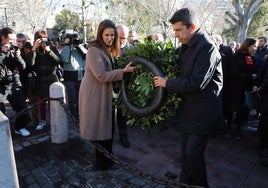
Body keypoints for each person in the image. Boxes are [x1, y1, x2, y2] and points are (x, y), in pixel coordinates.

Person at [153, 8, 223, 187]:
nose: (175, 35)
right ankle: (185, 184)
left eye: (178, 30)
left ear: (191, 27)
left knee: (193, 154)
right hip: (189, 112)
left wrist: (166, 83)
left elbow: (196, 82)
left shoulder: (207, 47)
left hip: (203, 114)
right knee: (186, 155)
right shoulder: (186, 45)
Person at [79, 19, 136, 171]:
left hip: (104, 94)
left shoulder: (106, 49)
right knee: (100, 131)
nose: (110, 38)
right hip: (95, 95)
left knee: (107, 130)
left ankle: (107, 161)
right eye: (107, 35)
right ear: (100, 34)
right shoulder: (93, 50)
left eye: (112, 35)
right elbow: (101, 75)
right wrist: (123, 72)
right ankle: (102, 164)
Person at [28, 30, 62, 131]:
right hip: (40, 80)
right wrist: (34, 49)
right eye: (40, 39)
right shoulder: (34, 51)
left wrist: (48, 51)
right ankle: (43, 121)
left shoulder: (51, 48)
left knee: (54, 102)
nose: (42, 41)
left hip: (52, 79)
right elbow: (30, 64)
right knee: (41, 103)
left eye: (44, 38)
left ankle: (55, 120)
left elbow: (58, 61)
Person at [0, 27, 31, 136]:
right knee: (1, 111)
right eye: (10, 40)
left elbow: (23, 67)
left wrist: (18, 57)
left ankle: (20, 127)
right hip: (0, 85)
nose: (12, 42)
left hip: (13, 82)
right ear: (3, 37)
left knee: (22, 106)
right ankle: (3, 133)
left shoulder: (14, 50)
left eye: (14, 40)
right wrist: (2, 52)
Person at [227, 38, 258, 140]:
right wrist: (249, 76)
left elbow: (254, 72)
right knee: (231, 109)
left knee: (242, 111)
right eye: (254, 46)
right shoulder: (235, 56)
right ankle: (228, 128)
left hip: (245, 90)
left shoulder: (252, 58)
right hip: (234, 89)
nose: (255, 48)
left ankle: (238, 130)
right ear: (248, 46)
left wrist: (254, 83)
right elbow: (234, 73)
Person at [59, 32, 86, 119]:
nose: (74, 40)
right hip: (70, 78)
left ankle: (80, 115)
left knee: (81, 99)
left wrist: (78, 45)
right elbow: (65, 59)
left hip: (81, 77)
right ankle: (73, 116)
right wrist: (67, 45)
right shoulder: (65, 48)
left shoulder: (81, 48)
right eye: (72, 39)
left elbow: (87, 56)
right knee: (72, 99)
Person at [115, 24, 133, 148]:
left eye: (125, 38)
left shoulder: (132, 50)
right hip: (109, 84)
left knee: (122, 114)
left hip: (125, 85)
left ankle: (123, 136)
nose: (122, 40)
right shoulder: (108, 48)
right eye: (120, 37)